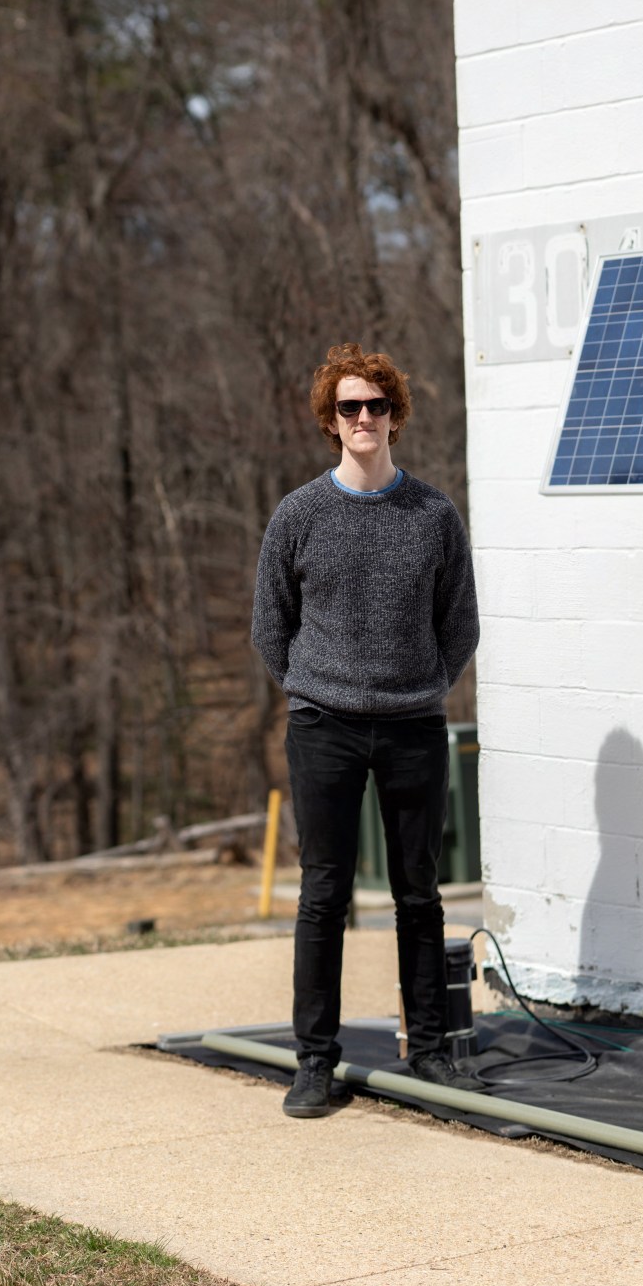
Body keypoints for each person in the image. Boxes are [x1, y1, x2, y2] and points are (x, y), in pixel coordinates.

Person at [251, 342, 481, 1117]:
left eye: (376, 406)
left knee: (419, 893)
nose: (363, 418)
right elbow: (268, 627)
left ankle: (434, 1050)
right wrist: (316, 689)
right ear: (330, 420)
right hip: (325, 727)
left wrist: (420, 687)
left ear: (395, 416)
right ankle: (315, 1061)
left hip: (414, 724)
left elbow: (461, 624)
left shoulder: (433, 515)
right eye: (349, 407)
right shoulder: (299, 515)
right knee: (325, 893)